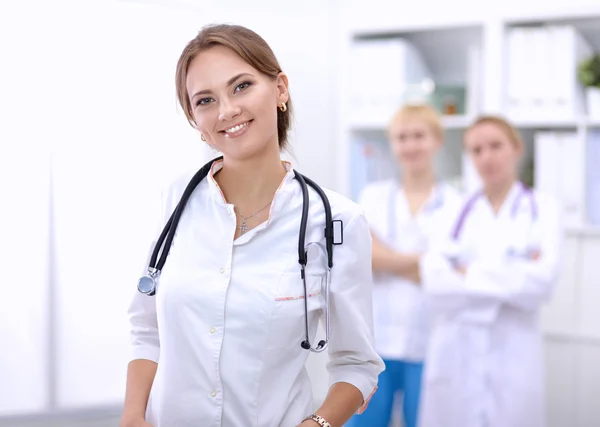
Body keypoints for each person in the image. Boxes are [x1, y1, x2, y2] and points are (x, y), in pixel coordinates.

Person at [118, 24, 385, 427]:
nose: (226, 110)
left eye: (241, 86)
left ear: (279, 89)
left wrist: (316, 425)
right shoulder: (176, 201)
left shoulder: (335, 221)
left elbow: (357, 364)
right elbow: (146, 330)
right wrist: (132, 415)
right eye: (205, 100)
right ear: (195, 119)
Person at [418, 116, 562, 427]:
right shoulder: (452, 211)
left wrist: (466, 272)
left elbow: (542, 282)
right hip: (457, 352)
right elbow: (435, 281)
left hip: (514, 352)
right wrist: (510, 276)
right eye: (476, 150)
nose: (487, 157)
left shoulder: (543, 209)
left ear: (516, 148)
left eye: (495, 146)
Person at [345, 104, 462, 427]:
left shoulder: (457, 204)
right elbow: (363, 256)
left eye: (419, 136)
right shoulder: (373, 196)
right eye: (402, 138)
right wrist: (431, 264)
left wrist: (387, 258)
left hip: (430, 340)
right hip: (377, 341)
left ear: (437, 140)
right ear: (392, 144)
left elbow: (456, 275)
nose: (410, 145)